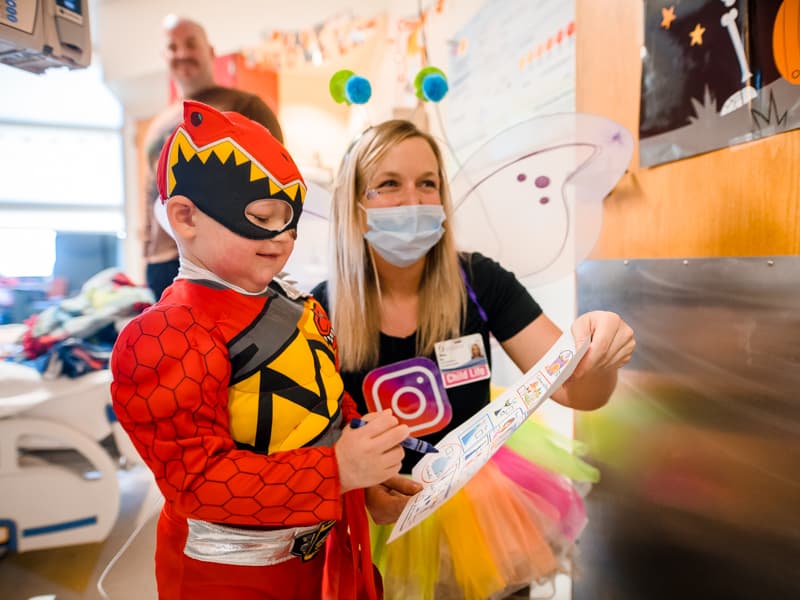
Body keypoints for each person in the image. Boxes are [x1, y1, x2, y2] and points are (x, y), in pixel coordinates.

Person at [310, 119, 636, 600]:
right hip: (377, 520)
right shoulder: (321, 314)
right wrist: (357, 489)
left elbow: (575, 388)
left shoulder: (480, 282)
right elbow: (311, 442)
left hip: (485, 512)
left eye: (428, 184)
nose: (414, 201)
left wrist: (603, 356)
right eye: (389, 185)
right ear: (355, 207)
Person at [111, 101, 415, 600]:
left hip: (327, 556)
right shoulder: (165, 335)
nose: (282, 240)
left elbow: (326, 400)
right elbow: (199, 481)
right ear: (185, 216)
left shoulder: (298, 303)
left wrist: (363, 473)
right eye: (261, 218)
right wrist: (338, 470)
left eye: (290, 221)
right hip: (232, 581)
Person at [142, 15, 284, 300]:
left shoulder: (244, 106)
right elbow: (151, 194)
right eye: (173, 47)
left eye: (191, 44)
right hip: (162, 264)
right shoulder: (158, 124)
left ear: (210, 52)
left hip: (220, 265)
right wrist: (147, 249)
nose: (182, 53)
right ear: (163, 57)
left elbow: (276, 187)